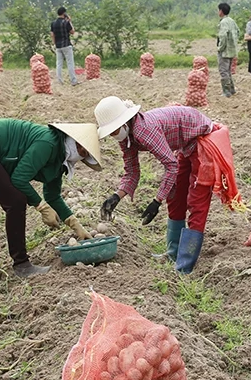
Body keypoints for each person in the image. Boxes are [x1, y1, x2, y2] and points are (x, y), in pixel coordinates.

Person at [94, 97, 239, 274]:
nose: (112, 135)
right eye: (110, 132)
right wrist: (116, 196)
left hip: (202, 140)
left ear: (124, 122)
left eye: (113, 130)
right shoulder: (126, 139)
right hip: (185, 145)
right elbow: (132, 172)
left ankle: (185, 265)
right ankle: (173, 253)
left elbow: (171, 166)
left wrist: (156, 201)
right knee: (175, 197)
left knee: (196, 201)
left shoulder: (143, 130)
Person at [0, 118, 101, 277]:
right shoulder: (49, 143)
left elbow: (52, 195)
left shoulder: (60, 155)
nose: (81, 155)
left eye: (85, 154)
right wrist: (41, 207)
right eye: (82, 150)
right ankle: (22, 264)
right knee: (15, 200)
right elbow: (19, 178)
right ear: (74, 141)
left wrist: (74, 224)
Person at [217, 3, 240, 98]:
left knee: (223, 71)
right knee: (228, 71)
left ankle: (226, 91)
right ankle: (232, 89)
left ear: (221, 11)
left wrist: (220, 48)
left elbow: (223, 36)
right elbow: (238, 32)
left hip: (225, 51)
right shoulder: (232, 21)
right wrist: (233, 43)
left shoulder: (223, 22)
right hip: (232, 50)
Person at [51, 7, 79, 86]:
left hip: (58, 46)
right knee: (70, 63)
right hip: (66, 44)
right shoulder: (66, 22)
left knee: (59, 63)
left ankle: (59, 81)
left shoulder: (53, 23)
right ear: (64, 13)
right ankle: (73, 81)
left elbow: (52, 34)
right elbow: (72, 32)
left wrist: (54, 43)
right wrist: (70, 21)